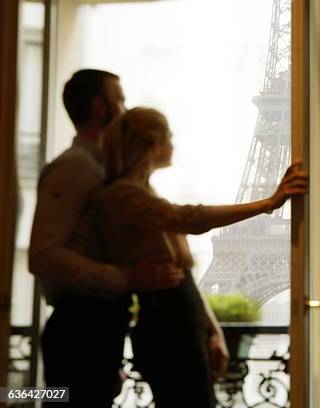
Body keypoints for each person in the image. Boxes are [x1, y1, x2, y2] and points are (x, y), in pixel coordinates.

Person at [98, 107, 307, 407]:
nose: (173, 142)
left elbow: (185, 277)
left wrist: (213, 330)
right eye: (169, 135)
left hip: (180, 316)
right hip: (168, 323)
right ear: (152, 144)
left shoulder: (143, 194)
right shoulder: (124, 196)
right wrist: (268, 203)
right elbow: (192, 218)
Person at [29, 70, 185, 407]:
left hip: (96, 327)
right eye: (121, 99)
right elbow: (42, 255)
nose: (126, 110)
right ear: (100, 107)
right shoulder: (75, 168)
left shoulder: (104, 171)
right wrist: (127, 278)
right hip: (81, 328)